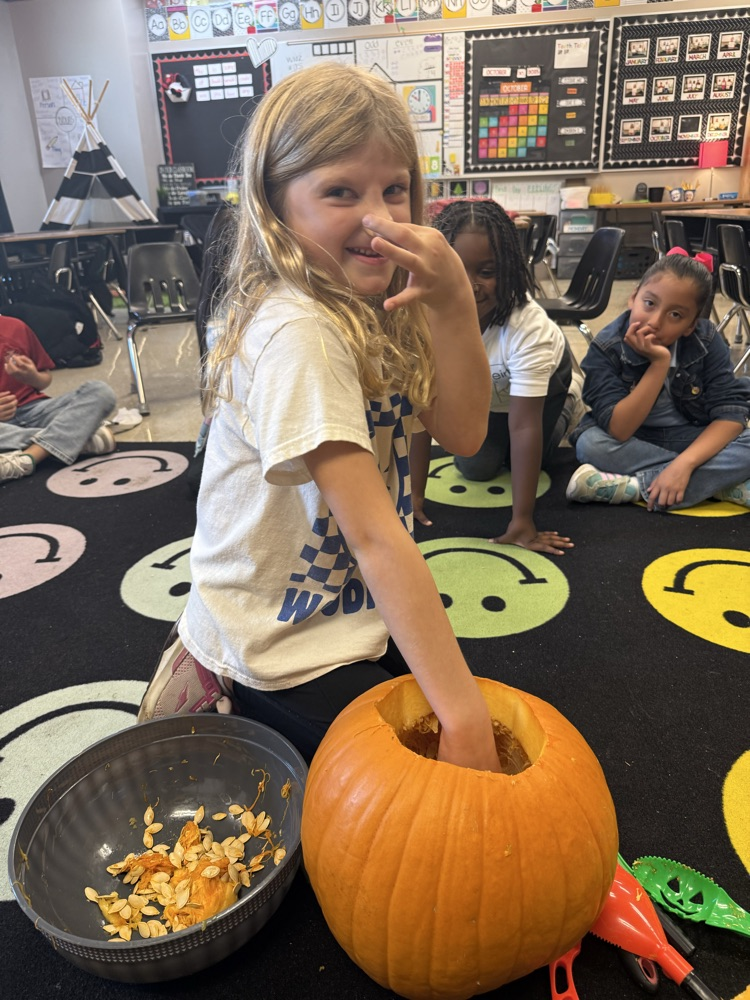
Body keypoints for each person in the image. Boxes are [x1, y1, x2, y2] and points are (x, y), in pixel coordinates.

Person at [138, 63, 501, 772]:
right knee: (418, 788)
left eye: (395, 190)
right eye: (341, 192)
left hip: (344, 606)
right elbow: (374, 536)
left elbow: (463, 434)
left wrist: (455, 303)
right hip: (272, 640)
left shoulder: (386, 301)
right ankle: (213, 684)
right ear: (275, 207)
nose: (381, 220)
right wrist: (464, 719)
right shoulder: (296, 332)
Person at [410, 199, 582, 555]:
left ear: (510, 270)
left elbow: (524, 426)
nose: (470, 287)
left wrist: (522, 521)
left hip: (545, 388)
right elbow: (422, 413)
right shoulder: (423, 317)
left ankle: (571, 404)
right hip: (491, 393)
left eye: (487, 272)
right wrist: (413, 496)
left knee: (541, 455)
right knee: (475, 467)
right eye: (457, 269)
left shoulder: (527, 329)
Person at [566, 249, 750, 511]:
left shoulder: (706, 339)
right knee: (590, 444)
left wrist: (683, 465)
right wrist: (659, 364)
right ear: (633, 297)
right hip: (631, 440)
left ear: (690, 325)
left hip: (689, 435)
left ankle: (633, 488)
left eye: (675, 315)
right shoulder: (606, 347)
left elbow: (730, 417)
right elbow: (620, 429)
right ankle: (722, 486)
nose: (654, 322)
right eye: (649, 304)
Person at [0, 315, 116, 482]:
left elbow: (44, 380)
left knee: (100, 391)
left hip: (36, 410)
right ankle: (78, 438)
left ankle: (30, 457)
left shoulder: (16, 327)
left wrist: (32, 376)